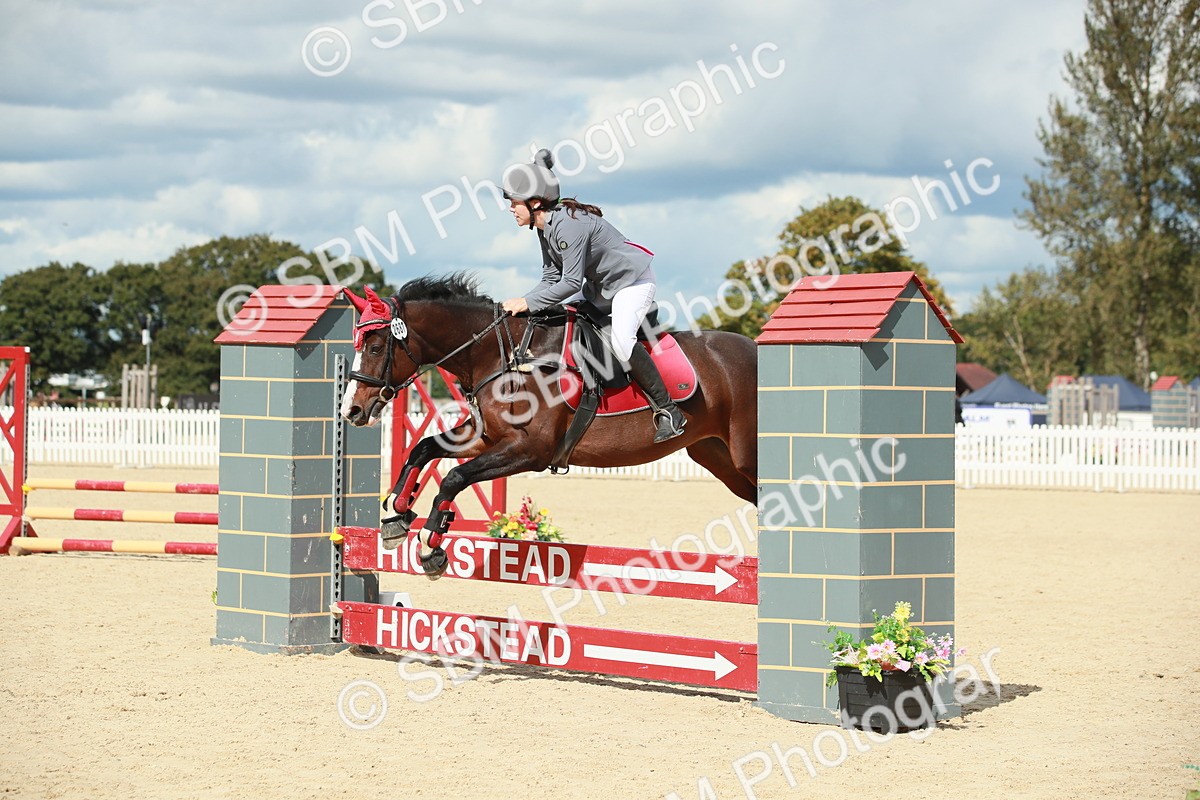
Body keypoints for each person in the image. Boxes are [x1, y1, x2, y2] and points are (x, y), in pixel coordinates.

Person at [499, 148, 686, 443]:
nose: (510, 208)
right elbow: (550, 277)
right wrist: (520, 305)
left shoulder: (568, 226)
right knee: (568, 320)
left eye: (514, 202)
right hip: (603, 288)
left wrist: (528, 302)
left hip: (632, 282)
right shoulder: (544, 227)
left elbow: (571, 281)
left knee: (622, 342)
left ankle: (669, 411)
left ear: (535, 203)